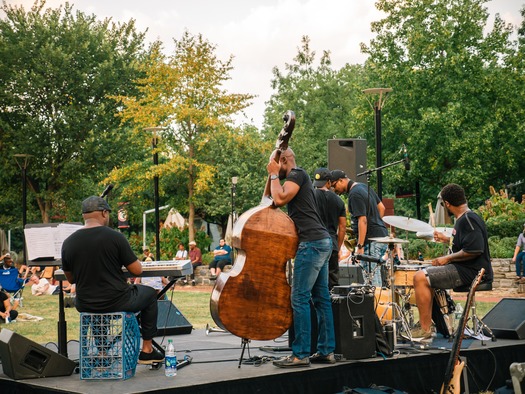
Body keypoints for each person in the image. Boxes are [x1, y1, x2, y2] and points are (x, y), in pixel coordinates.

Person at [61, 196, 164, 365]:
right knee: (150, 294)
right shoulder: (115, 237)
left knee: (97, 308)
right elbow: (137, 270)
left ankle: (102, 353)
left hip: (86, 302)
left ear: (84, 216)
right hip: (117, 301)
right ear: (104, 213)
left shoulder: (68, 242)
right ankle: (147, 350)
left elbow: (70, 278)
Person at [267, 147, 335, 368]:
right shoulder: (298, 178)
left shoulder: (297, 174)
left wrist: (275, 173)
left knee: (299, 298)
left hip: (312, 244)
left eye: (279, 163)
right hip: (321, 242)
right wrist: (273, 174)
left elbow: (279, 199)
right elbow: (270, 197)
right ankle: (326, 351)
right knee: (321, 298)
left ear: (284, 160)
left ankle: (301, 354)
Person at [411, 183, 493, 342]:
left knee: (420, 277)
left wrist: (447, 258)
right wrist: (447, 239)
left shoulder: (468, 220)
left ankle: (425, 330)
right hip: (467, 269)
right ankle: (437, 324)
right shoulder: (466, 219)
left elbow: (475, 249)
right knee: (426, 276)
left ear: (447, 204)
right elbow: (465, 243)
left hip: (472, 272)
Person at [331, 170, 389, 287]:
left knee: (371, 276)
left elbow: (362, 220)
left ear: (341, 181)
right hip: (382, 236)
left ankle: (376, 304)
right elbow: (382, 208)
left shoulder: (354, 194)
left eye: (334, 185)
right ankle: (381, 302)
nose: (334, 190)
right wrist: (376, 222)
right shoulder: (363, 187)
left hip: (371, 240)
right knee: (376, 273)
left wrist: (360, 245)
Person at [312, 168, 346, 289]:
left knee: (315, 282)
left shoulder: (311, 197)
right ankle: (333, 308)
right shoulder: (339, 201)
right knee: (332, 284)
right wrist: (338, 246)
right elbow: (342, 227)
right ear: (329, 182)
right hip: (332, 243)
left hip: (315, 242)